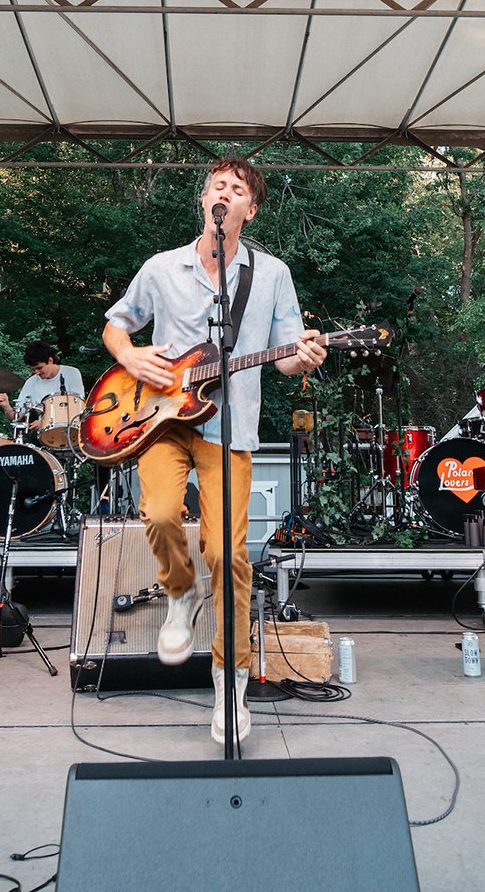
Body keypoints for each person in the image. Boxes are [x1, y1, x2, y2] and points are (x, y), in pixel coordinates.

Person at [102, 157, 327, 744]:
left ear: (250, 210)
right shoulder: (162, 267)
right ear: (205, 201)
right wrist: (129, 357)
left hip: (230, 425)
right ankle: (180, 591)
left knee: (228, 554)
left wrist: (301, 355)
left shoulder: (272, 274)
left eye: (238, 189)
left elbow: (283, 354)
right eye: (217, 186)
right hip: (159, 420)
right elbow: (116, 325)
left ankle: (231, 684)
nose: (224, 193)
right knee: (157, 514)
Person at [0, 341, 85, 436]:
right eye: (32, 369)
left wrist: (45, 422)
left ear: (50, 360)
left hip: (71, 430)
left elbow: (78, 408)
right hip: (43, 437)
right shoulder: (31, 382)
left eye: (39, 368)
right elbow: (17, 417)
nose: (36, 372)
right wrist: (6, 406)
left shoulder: (72, 373)